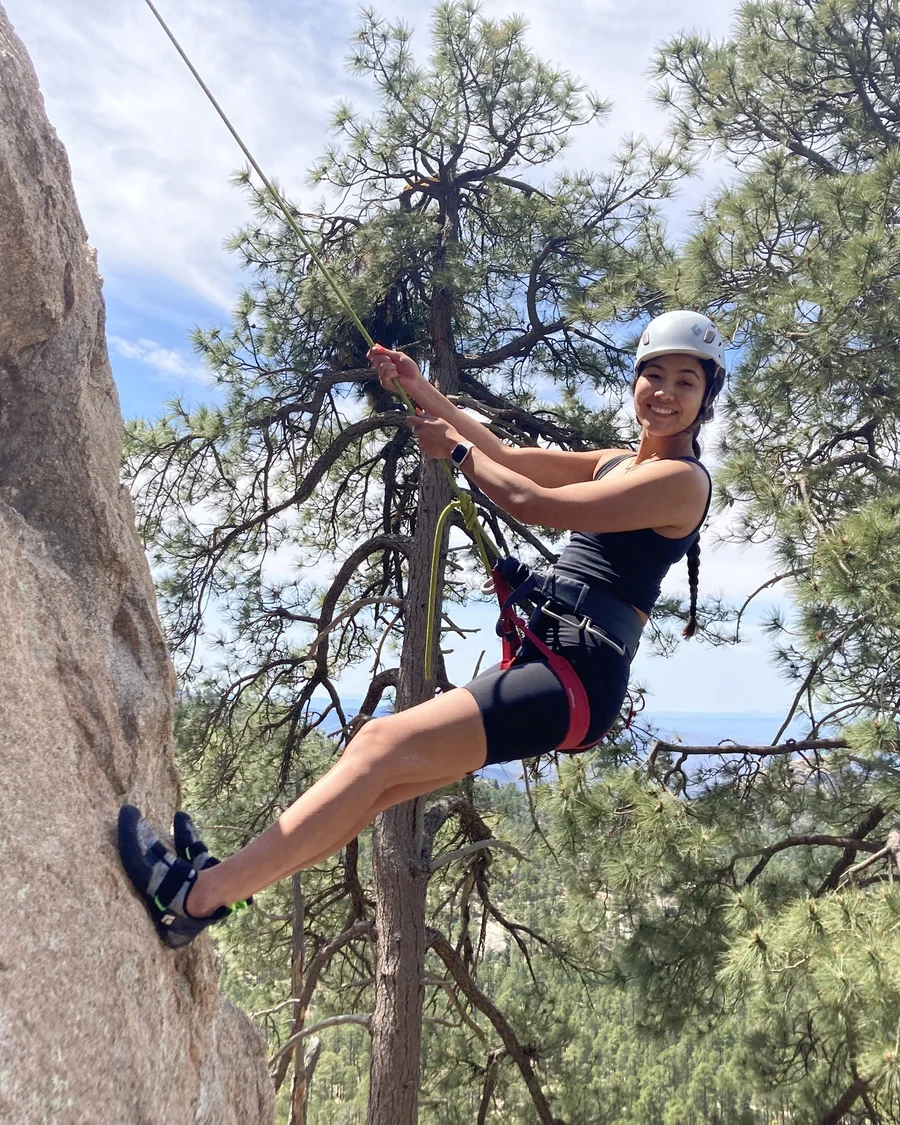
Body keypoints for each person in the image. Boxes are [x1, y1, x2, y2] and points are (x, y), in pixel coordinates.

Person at [118, 310, 728, 947]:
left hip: (575, 677)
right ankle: (214, 894)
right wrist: (417, 386)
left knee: (379, 748)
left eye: (685, 382)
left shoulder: (681, 483)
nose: (664, 391)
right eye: (653, 374)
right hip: (554, 663)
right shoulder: (618, 463)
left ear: (705, 398)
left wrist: (457, 453)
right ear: (634, 382)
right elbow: (510, 456)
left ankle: (191, 896)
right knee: (379, 778)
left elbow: (531, 502)